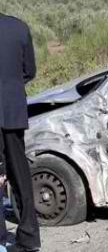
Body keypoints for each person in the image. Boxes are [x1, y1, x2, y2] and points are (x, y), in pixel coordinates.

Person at [0, 15, 41, 252]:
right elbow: (30, 71)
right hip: (14, 111)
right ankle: (29, 237)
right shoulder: (19, 26)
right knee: (20, 175)